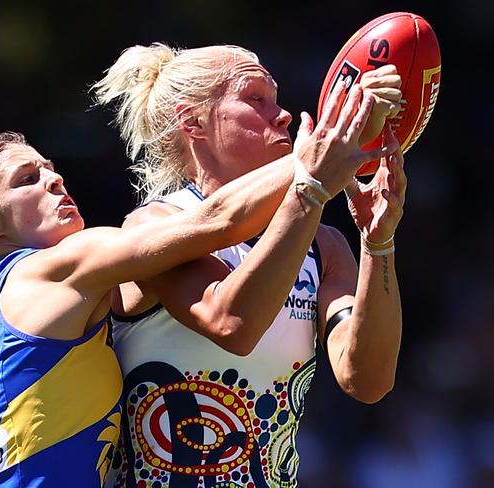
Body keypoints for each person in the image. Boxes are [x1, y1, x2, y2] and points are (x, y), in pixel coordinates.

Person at [0, 94, 385, 488]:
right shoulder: (56, 268)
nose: (54, 180)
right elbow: (215, 222)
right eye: (26, 179)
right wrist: (312, 160)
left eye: (50, 169)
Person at [92, 43, 406, 487]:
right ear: (193, 122)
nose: (282, 116)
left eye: (276, 99)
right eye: (256, 99)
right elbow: (232, 324)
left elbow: (367, 379)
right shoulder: (154, 226)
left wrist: (379, 241)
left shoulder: (325, 245)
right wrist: (313, 179)